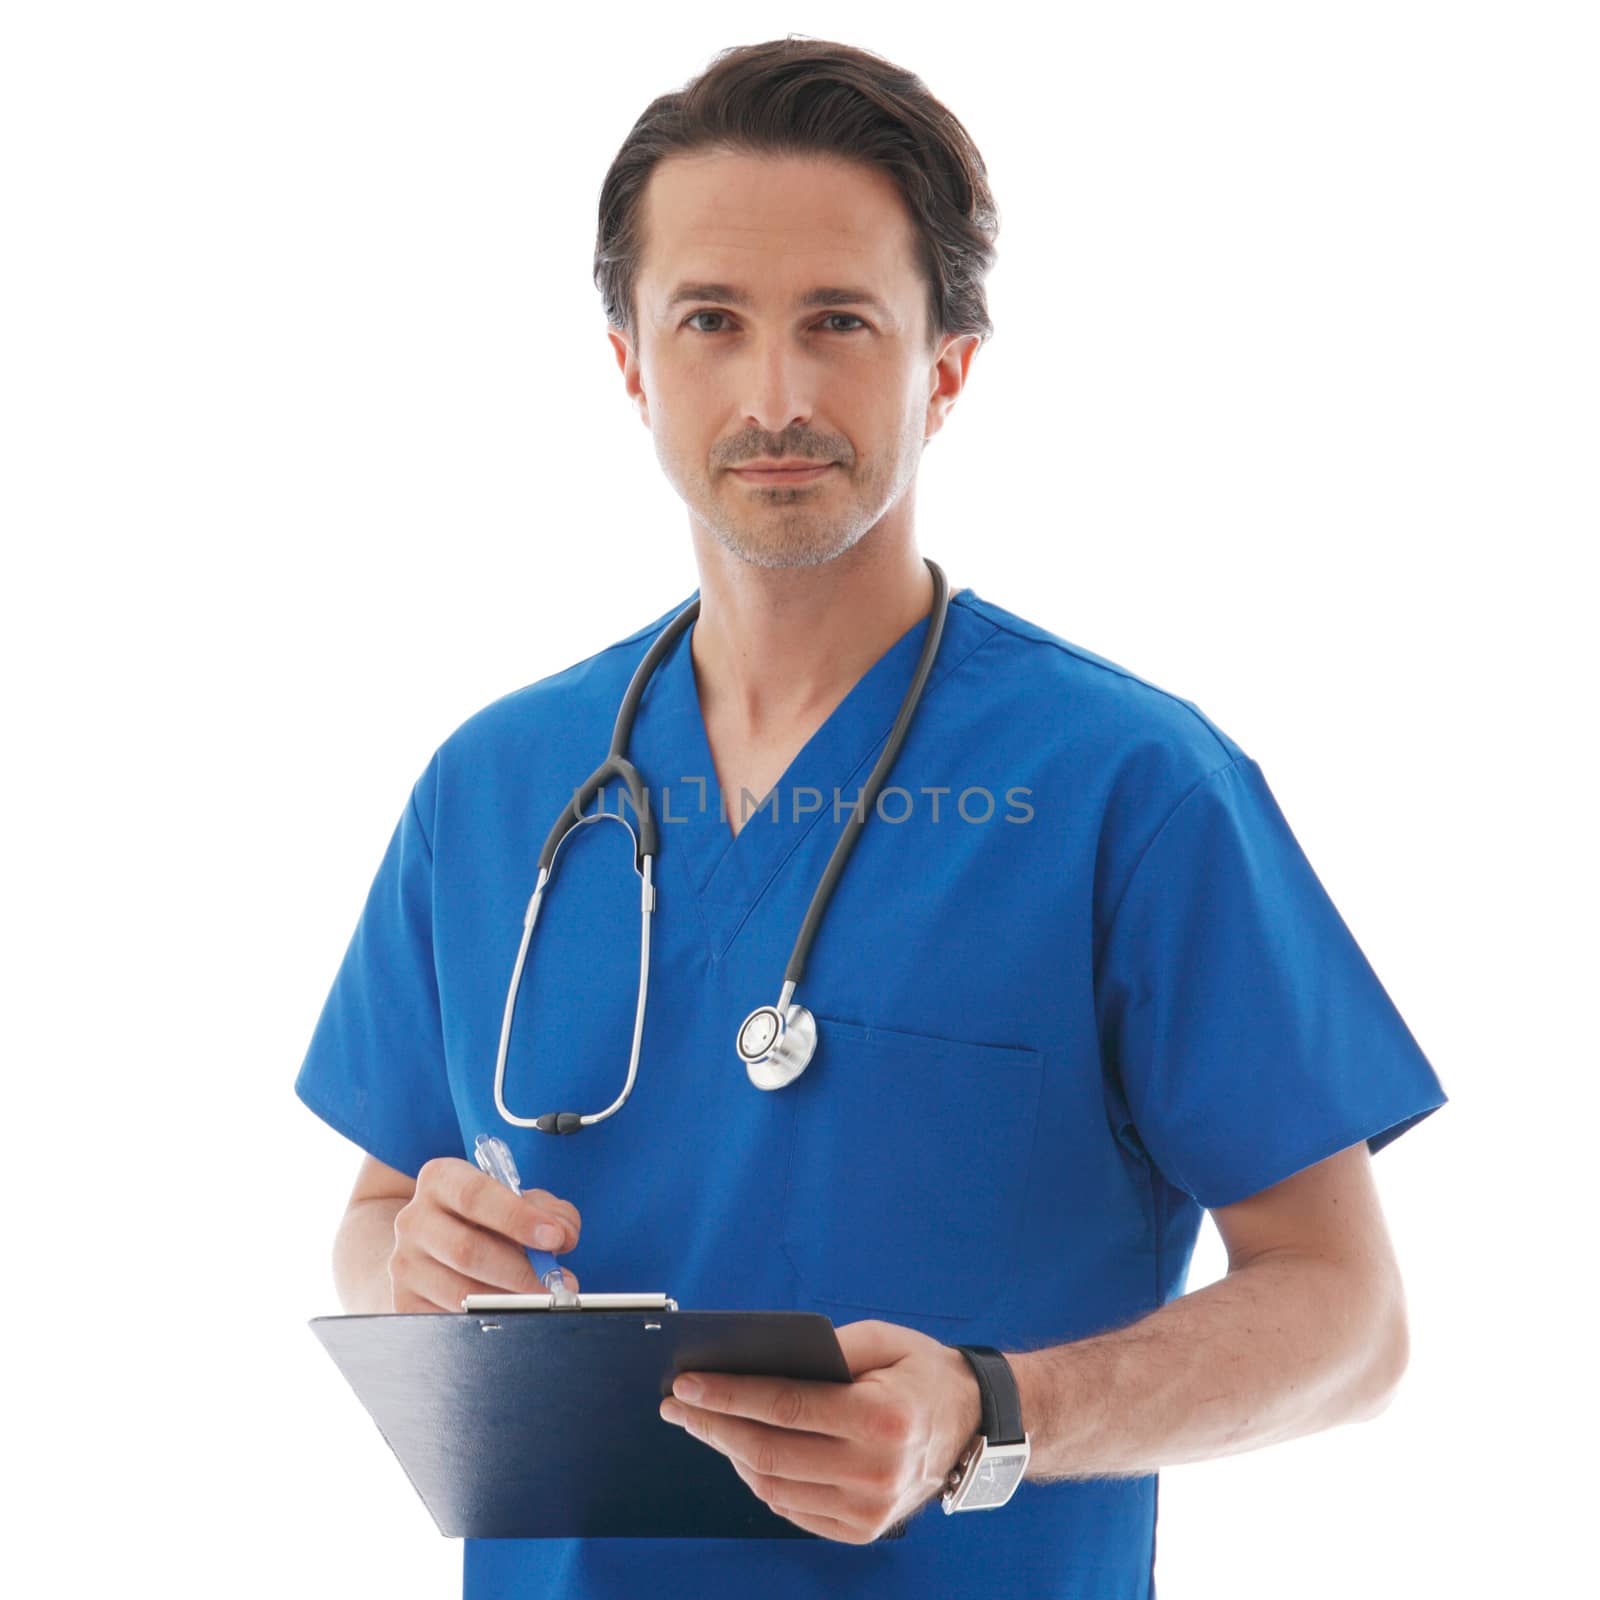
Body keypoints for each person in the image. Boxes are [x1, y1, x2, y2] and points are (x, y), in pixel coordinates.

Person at [294, 36, 1448, 1600]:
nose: (774, 394)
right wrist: (408, 1261)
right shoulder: (495, 789)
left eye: (839, 323)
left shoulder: (1133, 792)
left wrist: (993, 1414)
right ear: (632, 360)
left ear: (945, 364)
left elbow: (1350, 1318)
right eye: (712, 321)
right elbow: (375, 1222)